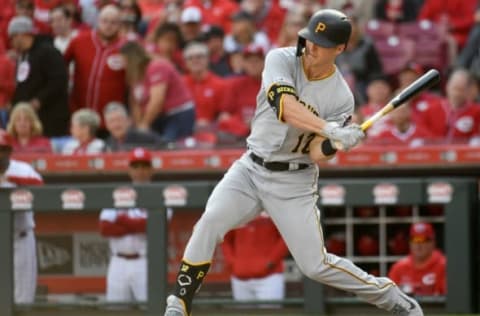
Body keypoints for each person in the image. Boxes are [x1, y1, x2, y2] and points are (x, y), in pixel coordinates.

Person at [164, 9, 423, 316]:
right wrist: (329, 129)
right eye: (310, 39)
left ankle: (388, 295)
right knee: (210, 221)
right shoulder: (281, 58)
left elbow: (316, 152)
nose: (311, 47)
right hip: (250, 167)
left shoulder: (341, 97)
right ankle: (178, 304)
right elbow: (284, 105)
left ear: (339, 49)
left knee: (315, 265)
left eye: (321, 43)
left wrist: (336, 143)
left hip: (294, 180)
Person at [99, 147, 153, 302]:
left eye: (144, 166)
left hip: (145, 262)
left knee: (150, 309)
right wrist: (135, 225)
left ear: (151, 170)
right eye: (136, 167)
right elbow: (105, 228)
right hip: (118, 262)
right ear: (129, 170)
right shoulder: (118, 193)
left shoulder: (160, 193)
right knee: (117, 310)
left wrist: (121, 219)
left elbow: (152, 227)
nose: (140, 171)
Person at [64, 4, 127, 129]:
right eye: (105, 21)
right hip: (79, 112)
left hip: (110, 119)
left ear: (120, 25)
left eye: (113, 22)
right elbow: (61, 65)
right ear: (98, 21)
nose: (108, 25)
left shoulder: (126, 47)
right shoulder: (79, 41)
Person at [120, 41, 195, 143]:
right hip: (159, 116)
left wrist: (144, 124)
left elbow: (157, 100)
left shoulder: (157, 66)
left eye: (125, 61)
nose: (124, 65)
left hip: (178, 113)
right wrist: (139, 125)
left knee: (168, 146)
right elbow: (135, 102)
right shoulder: (135, 74)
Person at [0, 129, 43, 303]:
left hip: (21, 238)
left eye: (2, 149)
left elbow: (41, 188)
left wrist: (9, 178)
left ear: (9, 151)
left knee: (23, 298)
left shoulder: (23, 169)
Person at [9, 16, 70, 137]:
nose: (12, 42)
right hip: (30, 119)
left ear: (21, 35)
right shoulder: (23, 55)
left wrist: (39, 99)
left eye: (13, 37)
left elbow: (59, 79)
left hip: (51, 117)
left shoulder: (48, 52)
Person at [221, 212, 289, 303]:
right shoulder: (235, 208)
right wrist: (232, 262)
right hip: (240, 277)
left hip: (269, 277)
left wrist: (272, 261)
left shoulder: (274, 205)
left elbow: (286, 236)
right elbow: (225, 238)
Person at [388, 222, 446, 296]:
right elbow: (390, 297)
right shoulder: (399, 267)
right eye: (415, 240)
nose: (418, 245)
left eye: (423, 240)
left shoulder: (443, 265)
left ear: (433, 242)